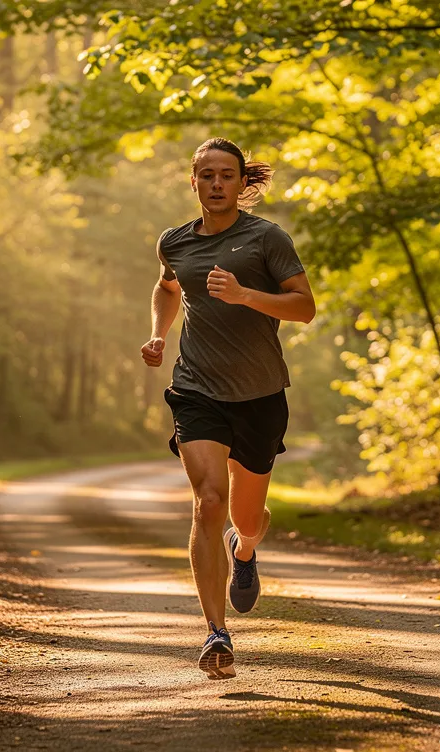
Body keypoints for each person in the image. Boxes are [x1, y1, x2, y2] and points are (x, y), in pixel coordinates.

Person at [140, 137, 315, 680]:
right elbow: (168, 288)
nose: (216, 184)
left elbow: (305, 307)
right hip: (196, 387)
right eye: (207, 175)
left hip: (260, 393)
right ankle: (216, 632)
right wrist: (158, 337)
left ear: (243, 183)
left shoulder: (267, 239)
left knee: (246, 517)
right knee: (209, 500)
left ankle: (245, 549)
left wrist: (246, 297)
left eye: (227, 175)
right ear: (193, 182)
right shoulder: (175, 242)